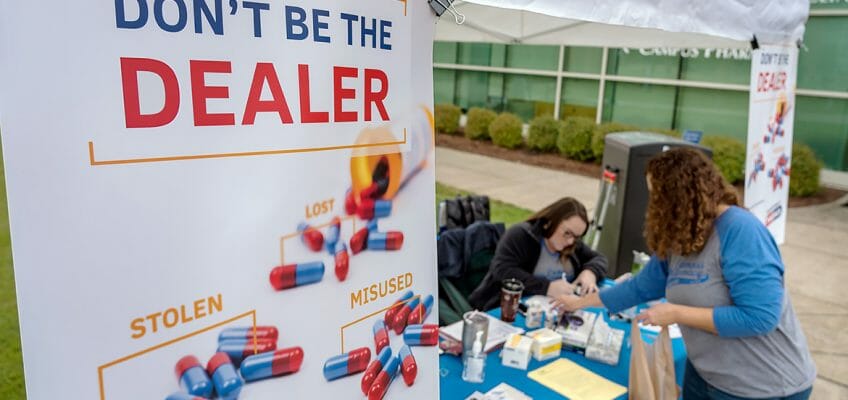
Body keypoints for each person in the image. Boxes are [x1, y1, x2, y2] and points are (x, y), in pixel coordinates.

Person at [554, 148, 815, 400]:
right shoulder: (683, 231)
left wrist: (677, 313)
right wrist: (579, 303)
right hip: (705, 375)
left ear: (681, 193)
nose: (653, 204)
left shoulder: (741, 230)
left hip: (763, 385)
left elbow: (760, 317)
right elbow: (641, 287)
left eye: (658, 195)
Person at [468, 197, 608, 311]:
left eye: (576, 237)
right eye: (567, 233)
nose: (571, 241)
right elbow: (501, 269)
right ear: (549, 223)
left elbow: (599, 259)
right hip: (511, 310)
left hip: (559, 311)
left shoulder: (572, 245)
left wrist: (590, 272)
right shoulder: (522, 235)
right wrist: (547, 287)